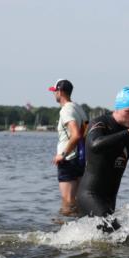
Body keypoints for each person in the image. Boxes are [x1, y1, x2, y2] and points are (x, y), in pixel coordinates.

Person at [76, 87, 129, 224]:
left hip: (109, 199)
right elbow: (95, 145)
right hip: (89, 195)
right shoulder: (100, 124)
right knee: (114, 232)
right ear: (117, 109)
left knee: (108, 240)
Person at [50, 78, 88, 215]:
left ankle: (64, 231)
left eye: (54, 91)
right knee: (76, 201)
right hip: (81, 160)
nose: (54, 94)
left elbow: (76, 134)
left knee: (67, 201)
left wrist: (63, 155)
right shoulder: (78, 108)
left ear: (60, 91)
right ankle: (78, 230)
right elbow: (86, 131)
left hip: (69, 160)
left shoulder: (66, 110)